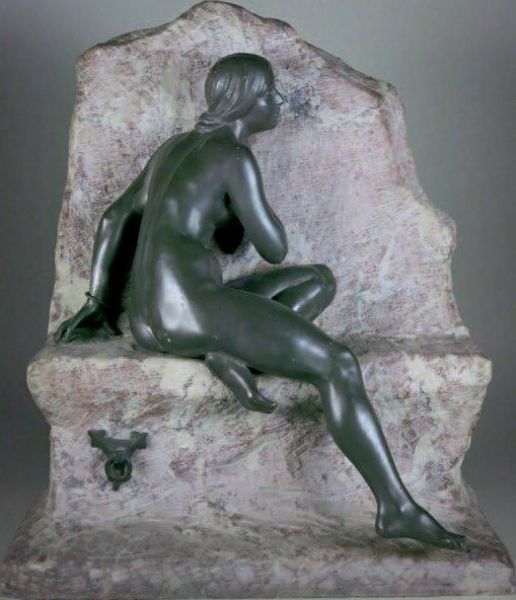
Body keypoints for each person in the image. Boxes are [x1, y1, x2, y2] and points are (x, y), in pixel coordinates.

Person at [54, 53, 465, 550]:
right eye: (270, 92)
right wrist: (243, 210)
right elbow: (274, 246)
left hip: (150, 319)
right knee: (338, 364)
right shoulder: (235, 157)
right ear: (246, 100)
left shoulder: (173, 148)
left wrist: (98, 303)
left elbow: (113, 218)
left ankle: (223, 351)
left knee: (317, 282)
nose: (278, 100)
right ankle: (396, 508)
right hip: (189, 310)